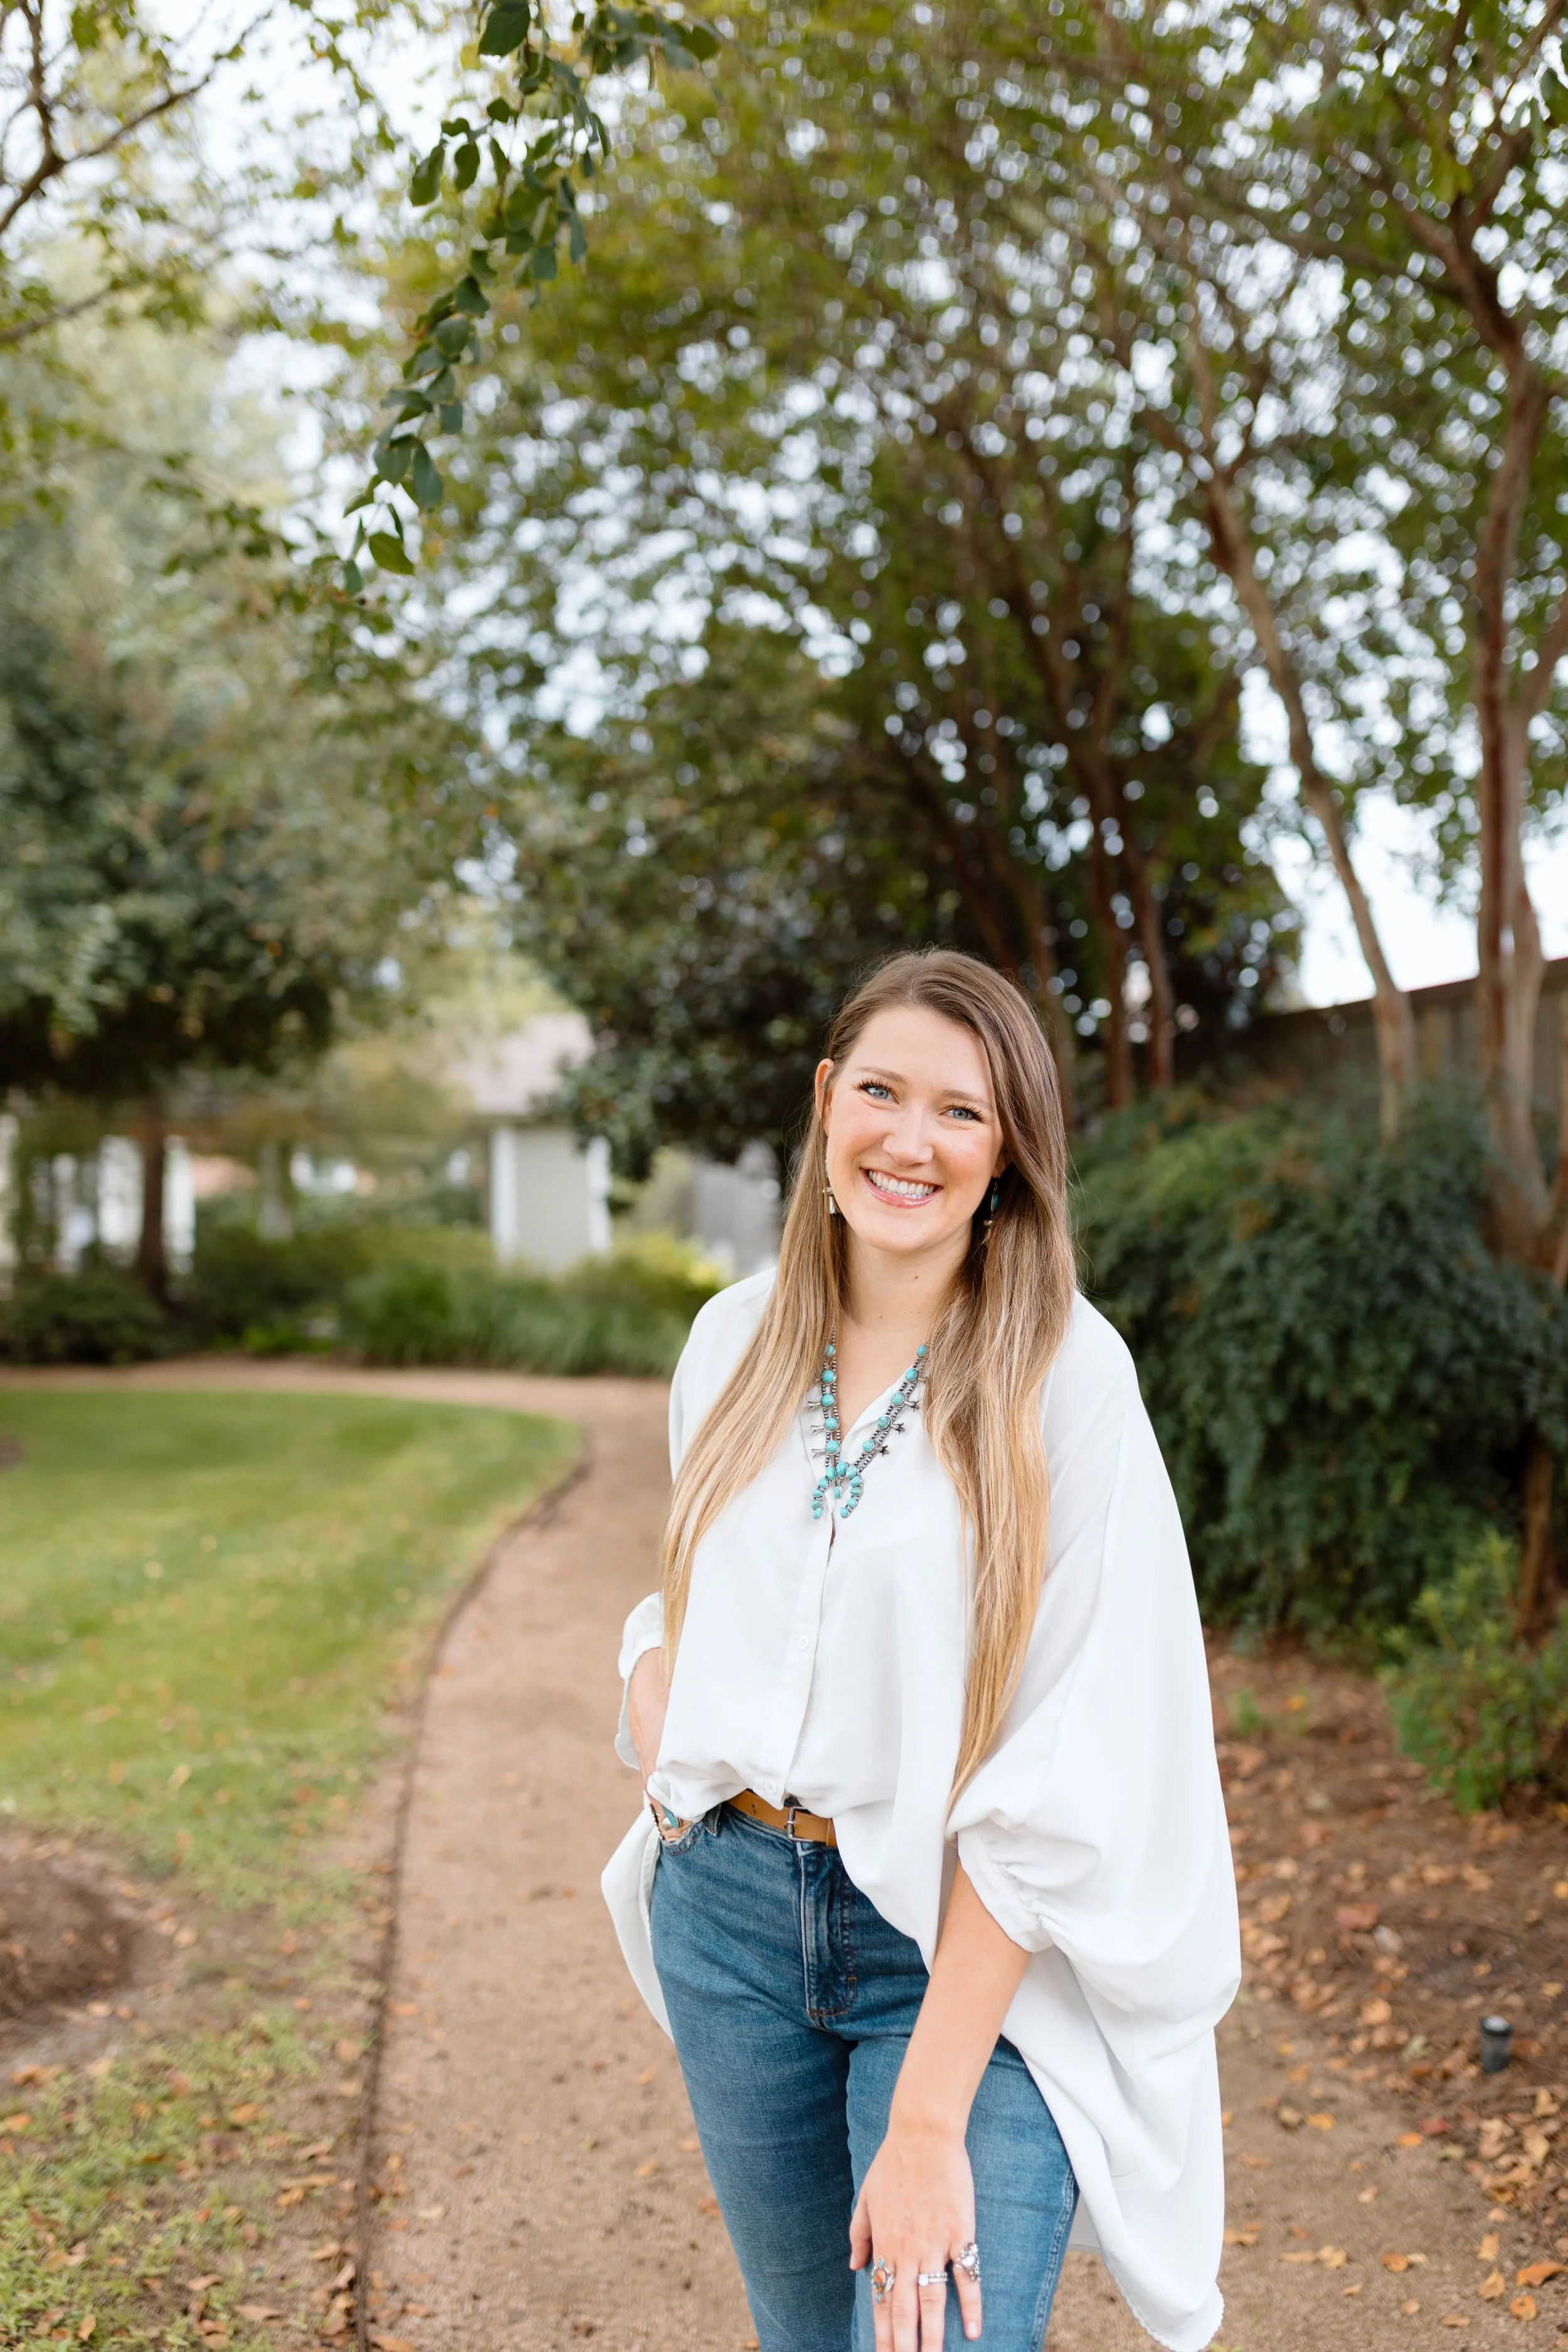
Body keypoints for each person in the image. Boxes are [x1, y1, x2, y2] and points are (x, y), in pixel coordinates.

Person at [601, 950, 1239, 2352]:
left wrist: (930, 2112)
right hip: (728, 1926)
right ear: (826, 1102)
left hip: (952, 1948)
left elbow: (1084, 1755)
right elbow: (695, 1591)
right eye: (879, 1091)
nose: (909, 1139)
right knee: (805, 2336)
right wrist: (657, 1704)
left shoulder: (1067, 1377)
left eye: (959, 1111)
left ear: (1006, 1150)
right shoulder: (728, 1344)